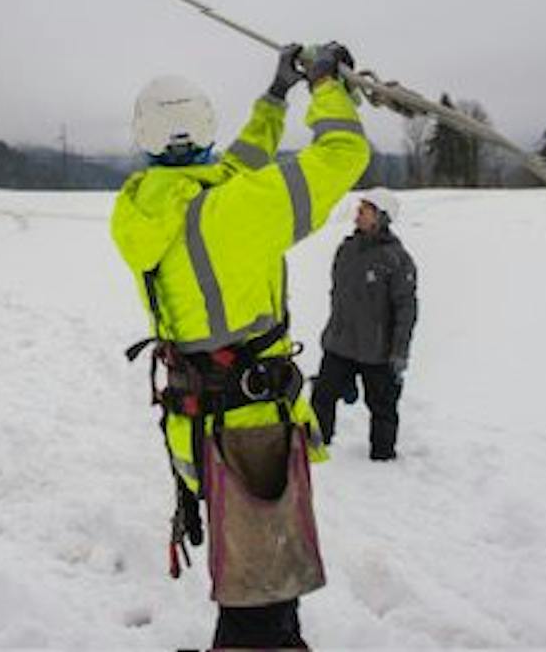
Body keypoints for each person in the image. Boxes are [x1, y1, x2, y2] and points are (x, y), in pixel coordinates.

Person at [111, 43, 369, 649]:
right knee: (260, 598)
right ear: (205, 127)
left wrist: (277, 98)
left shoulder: (147, 207)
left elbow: (235, 169)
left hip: (198, 425)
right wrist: (327, 87)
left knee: (260, 587)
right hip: (252, 432)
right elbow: (343, 153)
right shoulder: (233, 212)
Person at [310, 186, 418, 461]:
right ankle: (316, 447)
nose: (357, 215)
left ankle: (382, 459)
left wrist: (399, 352)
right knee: (322, 397)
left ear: (380, 217)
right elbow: (338, 296)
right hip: (340, 344)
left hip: (377, 351)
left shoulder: (397, 259)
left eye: (363, 210)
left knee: (382, 407)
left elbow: (406, 309)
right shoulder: (346, 250)